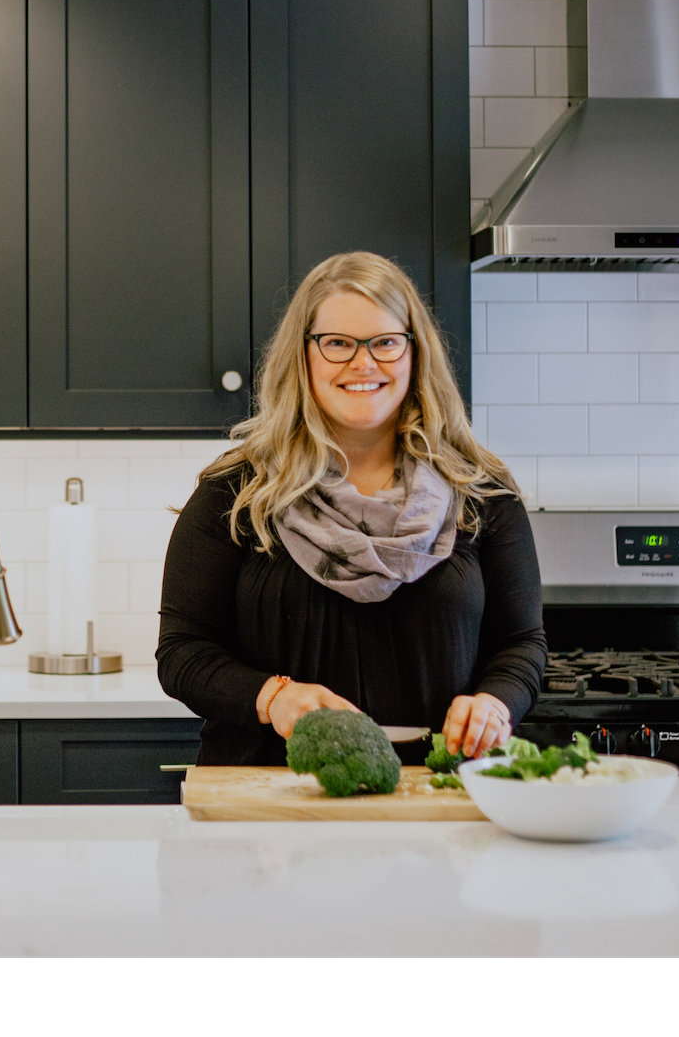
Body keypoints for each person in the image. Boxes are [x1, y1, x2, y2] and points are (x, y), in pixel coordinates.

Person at [156, 251, 546, 767]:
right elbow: (182, 652)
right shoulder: (238, 492)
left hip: (437, 793)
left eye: (385, 342)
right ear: (304, 355)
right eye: (338, 343)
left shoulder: (480, 492)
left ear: (415, 353)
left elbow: (521, 643)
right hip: (269, 799)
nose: (364, 363)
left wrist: (496, 704)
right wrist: (273, 697)